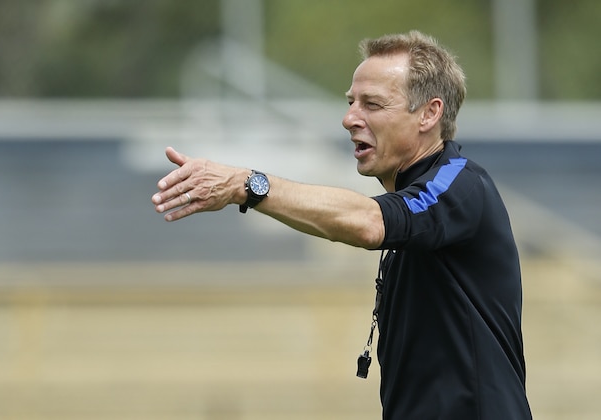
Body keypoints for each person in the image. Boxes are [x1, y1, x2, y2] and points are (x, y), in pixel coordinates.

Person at [152, 30, 532, 420]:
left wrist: (245, 185)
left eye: (372, 104)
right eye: (352, 102)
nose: (350, 118)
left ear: (429, 114)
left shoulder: (460, 182)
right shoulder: (420, 199)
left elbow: (371, 222)